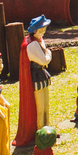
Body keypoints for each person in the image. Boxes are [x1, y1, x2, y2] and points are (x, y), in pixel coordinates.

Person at [14, 15, 53, 147]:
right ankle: (41, 132)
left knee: (46, 104)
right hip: (35, 78)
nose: (43, 31)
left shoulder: (39, 40)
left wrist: (46, 55)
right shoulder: (31, 44)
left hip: (42, 75)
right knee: (40, 106)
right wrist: (48, 54)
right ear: (34, 30)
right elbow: (44, 60)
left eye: (44, 28)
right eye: (41, 29)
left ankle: (47, 128)